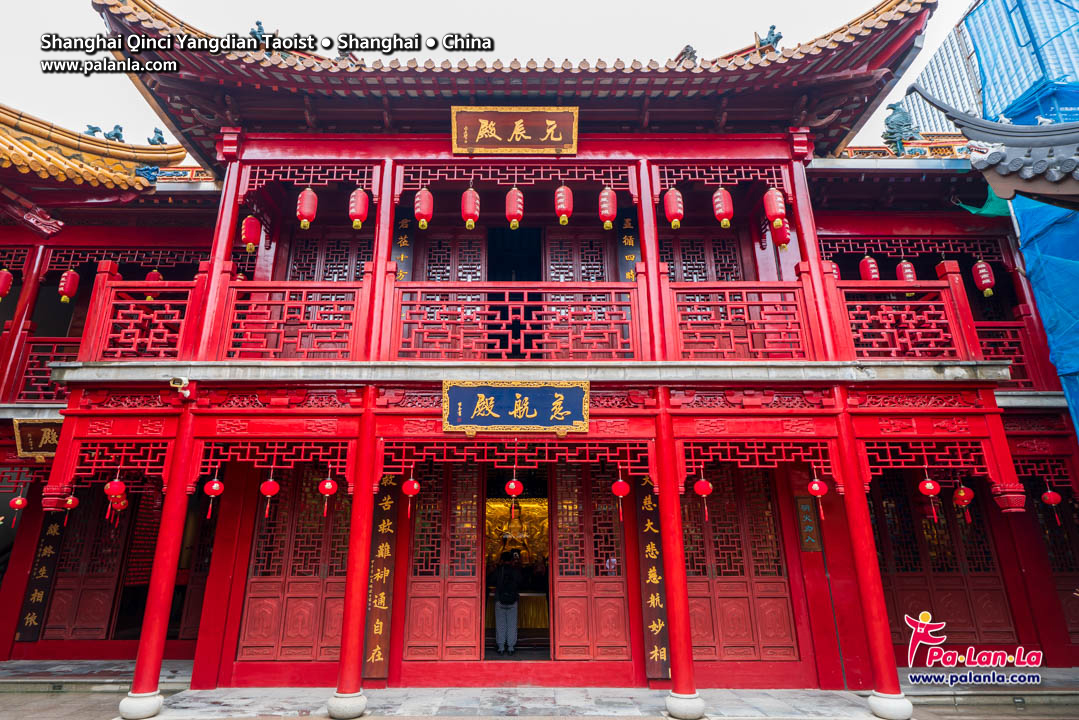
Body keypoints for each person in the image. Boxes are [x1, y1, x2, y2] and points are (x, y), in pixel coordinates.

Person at [493, 550, 523, 656]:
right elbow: (521, 582)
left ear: (501, 560)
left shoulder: (498, 570)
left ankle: (501, 647)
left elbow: (492, 580)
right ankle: (510, 647)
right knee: (512, 624)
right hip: (513, 600)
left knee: (500, 624)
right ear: (511, 560)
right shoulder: (516, 571)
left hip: (499, 600)